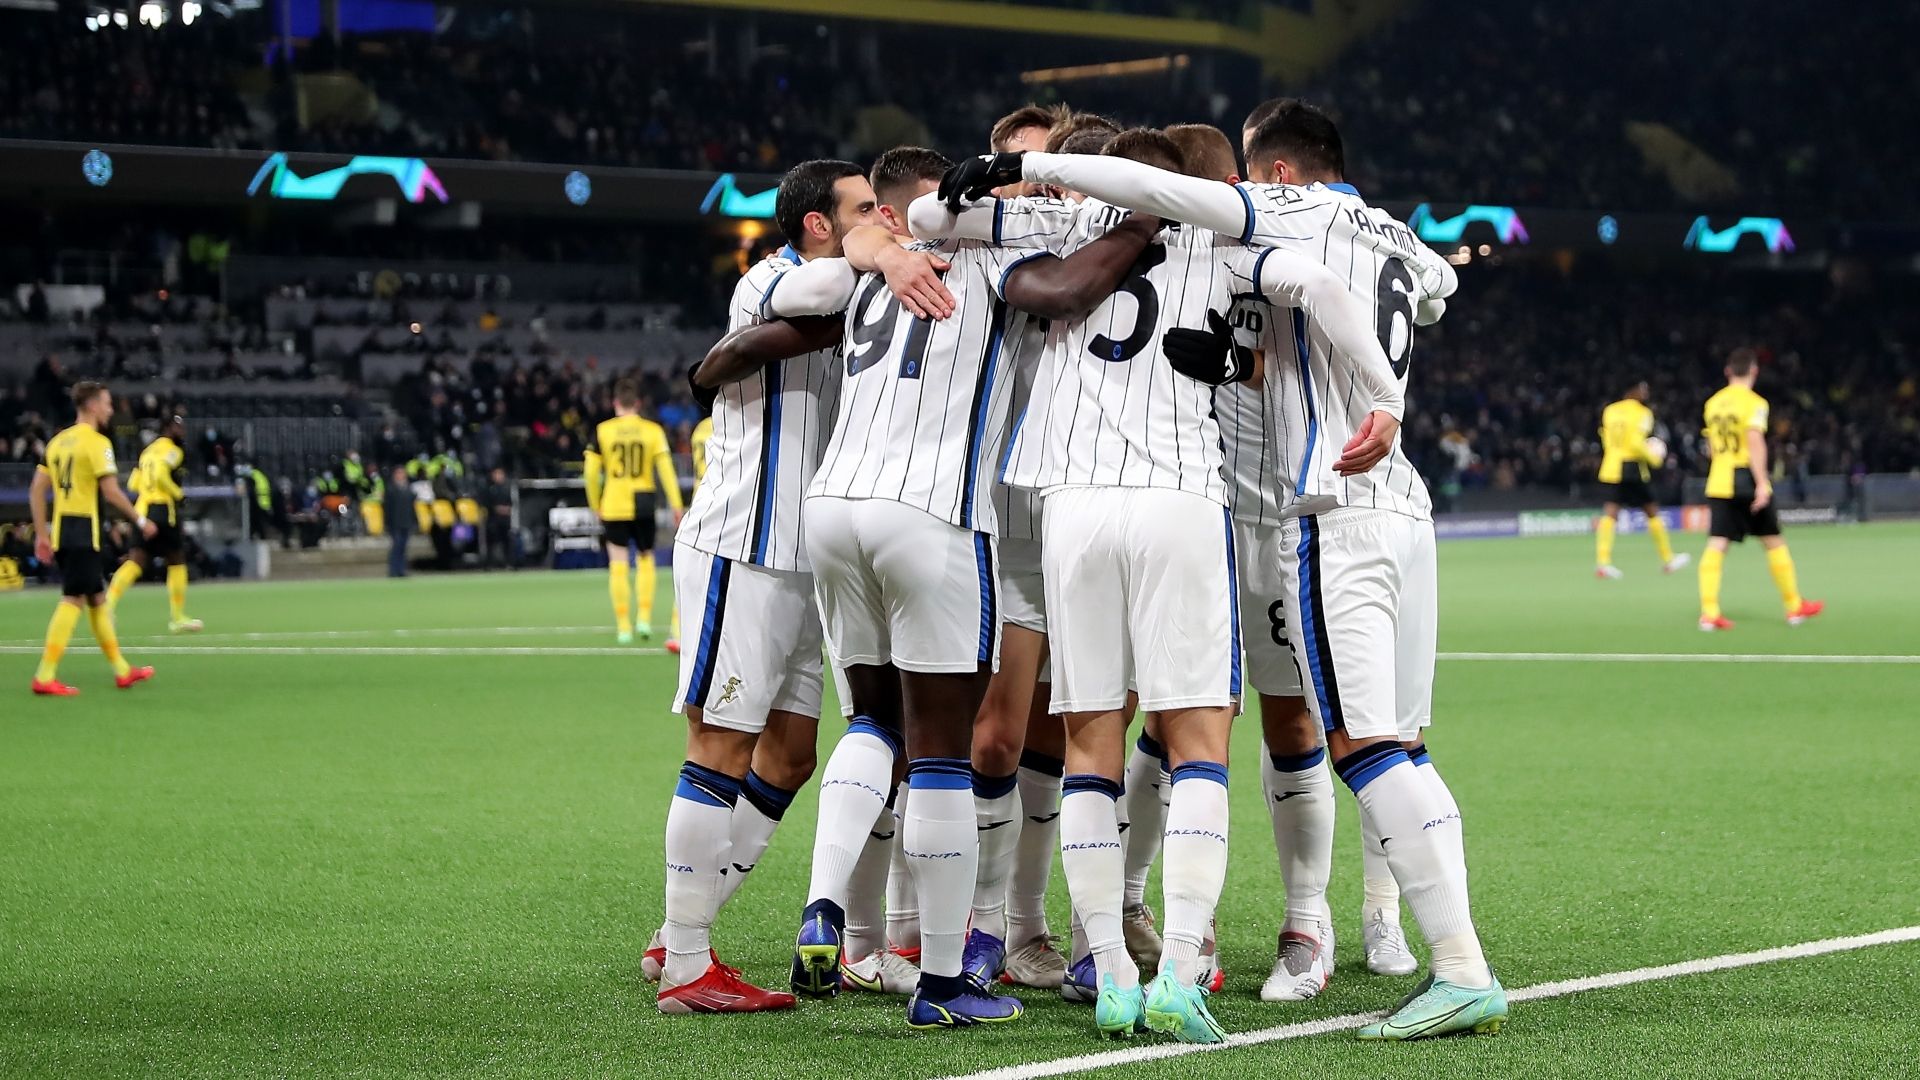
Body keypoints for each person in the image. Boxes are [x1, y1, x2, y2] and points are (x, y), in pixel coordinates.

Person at [951, 97, 1506, 1040]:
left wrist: (1012, 174)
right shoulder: (1398, 234)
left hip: (1312, 500)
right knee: (1385, 743)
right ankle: (1332, 937)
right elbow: (1427, 290)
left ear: (1275, 176)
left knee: (1342, 745)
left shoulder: (1260, 219)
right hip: (1381, 507)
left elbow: (1139, 196)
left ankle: (1390, 947)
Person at [647, 159, 883, 1015]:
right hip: (741, 544)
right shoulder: (774, 278)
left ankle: (684, 927)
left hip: (807, 560)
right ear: (819, 223)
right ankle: (685, 965)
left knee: (788, 753)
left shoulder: (852, 288)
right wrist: (877, 254)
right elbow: (813, 295)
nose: (881, 219)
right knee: (719, 747)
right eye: (862, 210)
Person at [28, 381, 156, 696]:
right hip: (84, 529)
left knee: (97, 598)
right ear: (93, 406)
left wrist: (42, 535)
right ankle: (44, 675)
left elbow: (36, 490)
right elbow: (110, 491)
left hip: (63, 529)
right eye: (108, 403)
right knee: (73, 599)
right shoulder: (97, 443)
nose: (111, 409)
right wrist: (140, 519)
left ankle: (123, 671)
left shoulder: (57, 442)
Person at [1698, 349, 1823, 631]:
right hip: (1744, 477)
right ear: (1754, 371)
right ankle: (1793, 607)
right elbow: (1754, 441)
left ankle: (1709, 612)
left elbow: (1710, 446)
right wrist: (1762, 483)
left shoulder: (1712, 404)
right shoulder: (1755, 403)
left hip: (1719, 479)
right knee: (1773, 540)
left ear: (1728, 372)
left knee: (1717, 543)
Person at [583, 380, 683, 642]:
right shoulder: (652, 431)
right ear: (638, 403)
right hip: (644, 501)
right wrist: (676, 504)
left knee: (617, 563)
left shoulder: (602, 430)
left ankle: (623, 625)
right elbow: (666, 471)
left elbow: (590, 473)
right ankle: (645, 619)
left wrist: (595, 503)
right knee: (645, 559)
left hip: (614, 502)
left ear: (615, 403)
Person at [105, 413, 202, 632]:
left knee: (135, 561)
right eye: (179, 426)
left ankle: (107, 605)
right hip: (162, 510)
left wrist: (148, 492)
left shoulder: (146, 451)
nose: (183, 430)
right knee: (176, 560)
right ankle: (177, 617)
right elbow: (159, 474)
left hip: (142, 509)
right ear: (168, 428)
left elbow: (132, 483)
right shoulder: (172, 451)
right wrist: (178, 494)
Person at [1595, 381, 1688, 578]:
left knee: (1610, 512)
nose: (1646, 392)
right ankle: (1668, 559)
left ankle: (1603, 562)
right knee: (1651, 510)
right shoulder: (1642, 413)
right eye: (1643, 388)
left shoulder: (1609, 411)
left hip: (1611, 466)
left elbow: (1605, 437)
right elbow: (1636, 443)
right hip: (1632, 467)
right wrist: (1654, 459)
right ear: (1633, 390)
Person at [383, 465, 414, 578]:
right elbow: (387, 508)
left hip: (406, 522)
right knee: (396, 546)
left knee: (403, 548)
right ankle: (393, 570)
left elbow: (412, 508)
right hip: (395, 523)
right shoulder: (391, 490)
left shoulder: (408, 489)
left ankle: (401, 570)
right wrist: (387, 523)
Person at [481, 467, 514, 571]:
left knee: (507, 543)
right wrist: (496, 509)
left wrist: (505, 509)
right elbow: (487, 504)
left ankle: (508, 564)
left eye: (500, 474)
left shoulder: (506, 489)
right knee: (491, 543)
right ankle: (488, 565)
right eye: (497, 474)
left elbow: (510, 504)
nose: (499, 477)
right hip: (493, 521)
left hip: (504, 521)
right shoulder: (489, 489)